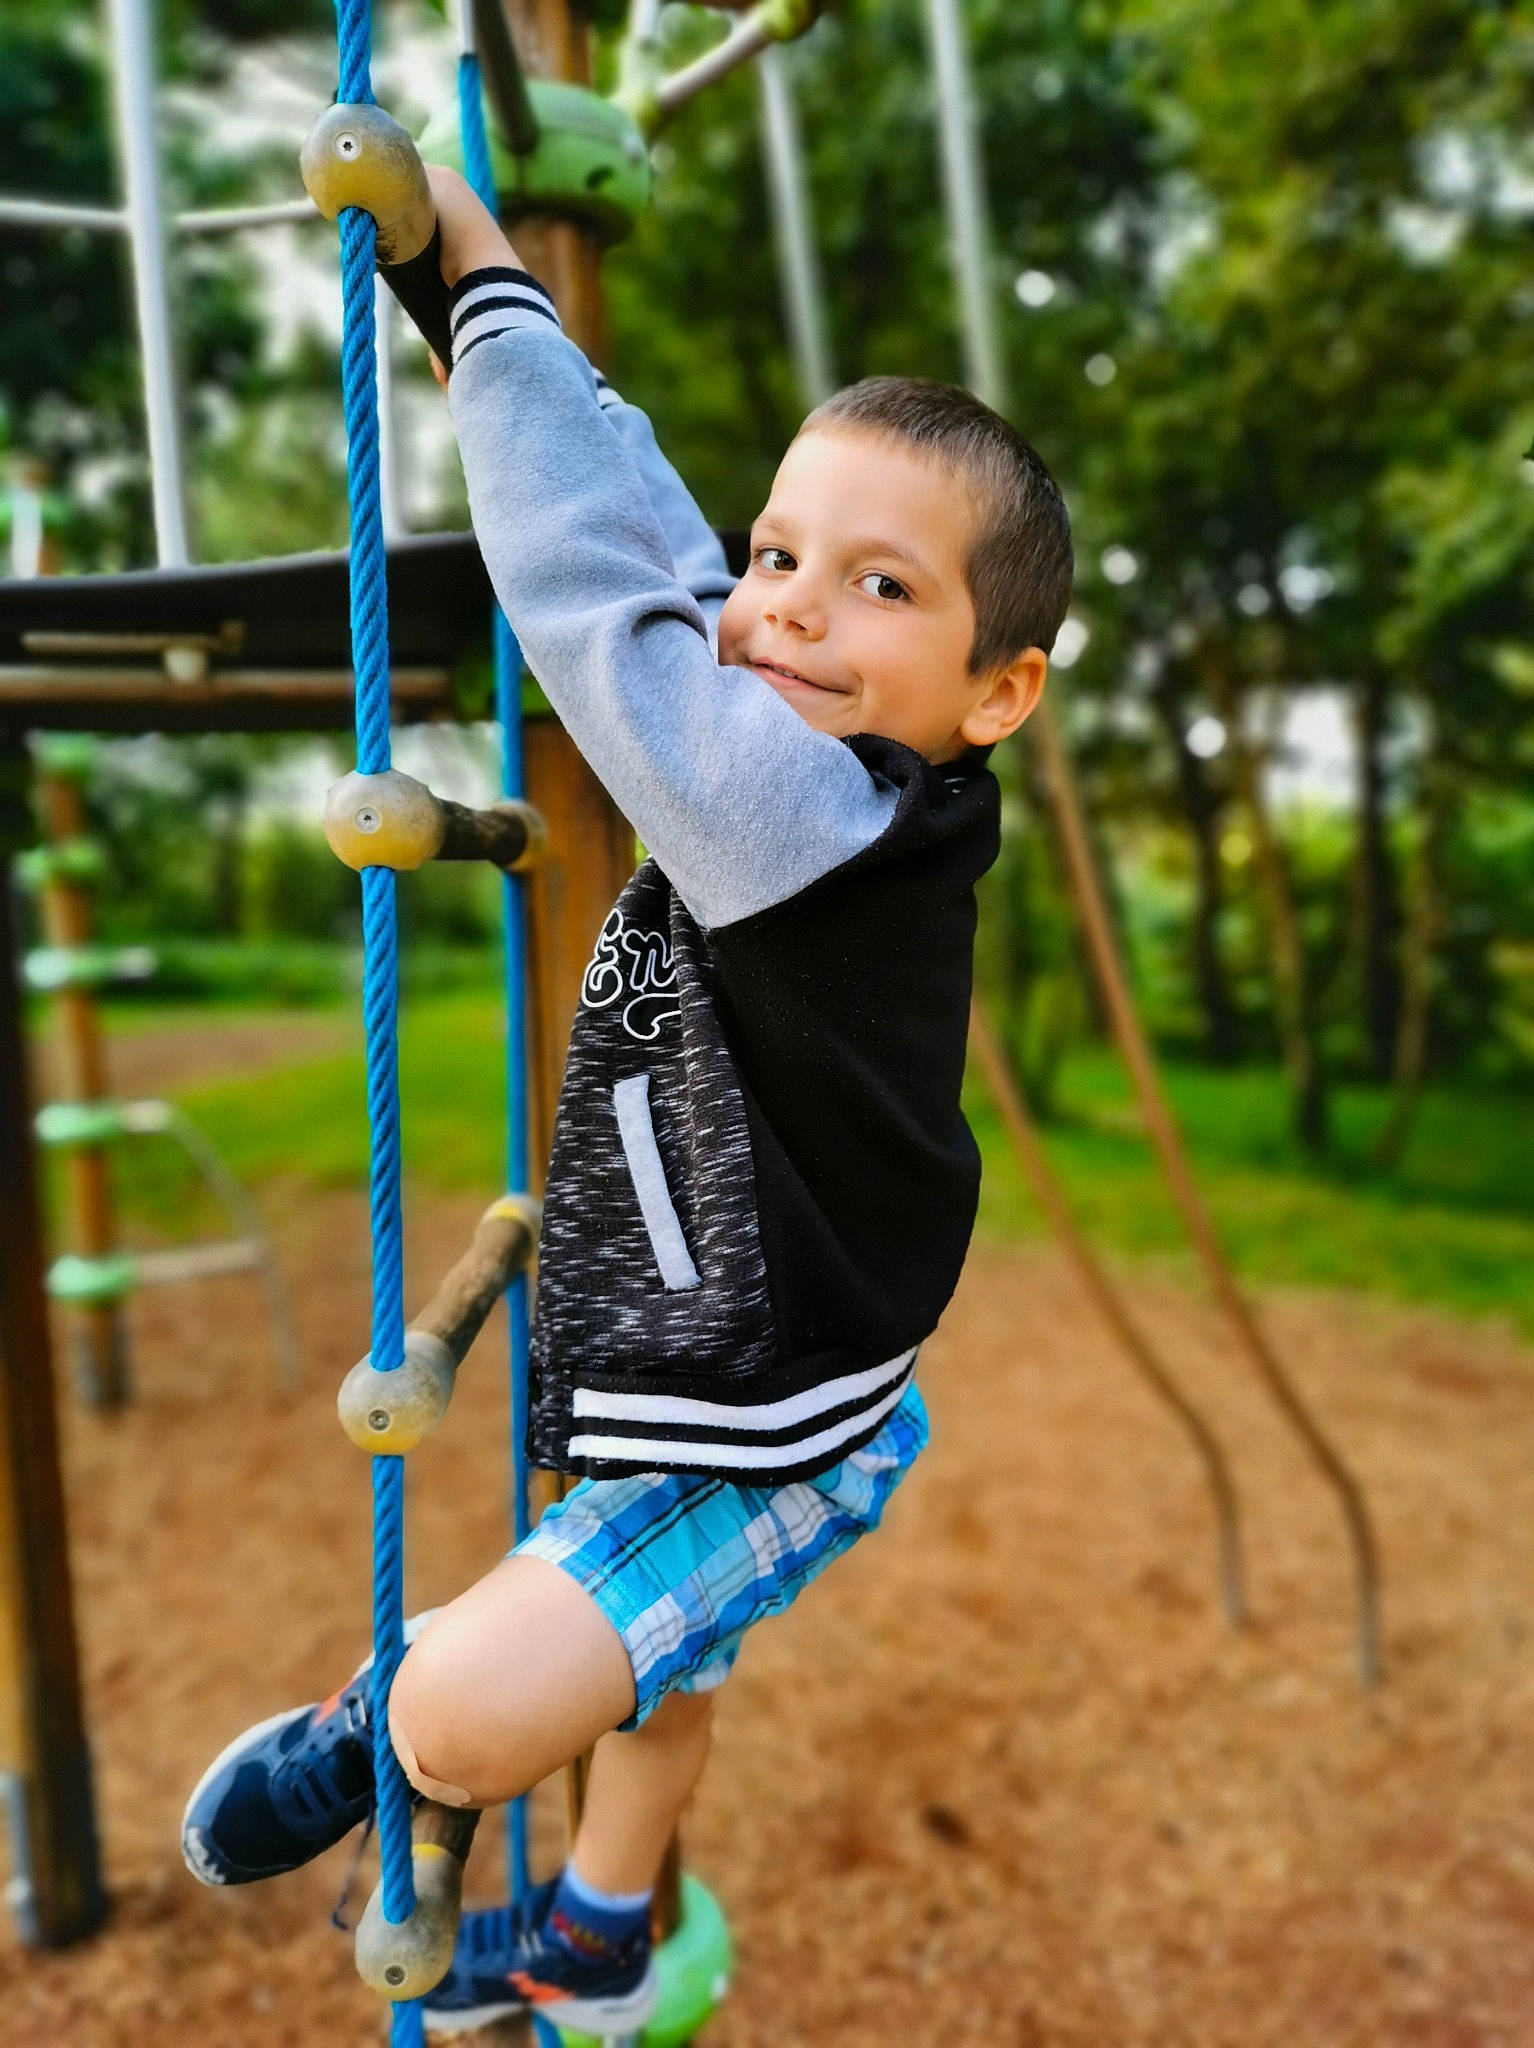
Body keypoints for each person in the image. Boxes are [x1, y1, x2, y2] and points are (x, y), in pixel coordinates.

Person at [181, 166, 1073, 2037]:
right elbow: (677, 571)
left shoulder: (806, 815)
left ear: (996, 693)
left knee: (467, 1710)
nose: (787, 614)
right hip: (779, 1364)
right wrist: (473, 328)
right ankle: (599, 1929)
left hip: (762, 1405)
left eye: (880, 586)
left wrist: (489, 275)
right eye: (782, 555)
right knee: (666, 1681)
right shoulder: (838, 770)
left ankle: (375, 1729)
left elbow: (602, 597)